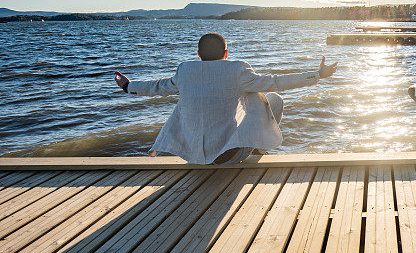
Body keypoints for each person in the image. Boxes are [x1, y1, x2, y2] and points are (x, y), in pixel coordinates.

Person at [114, 32, 337, 164]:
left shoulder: (185, 71)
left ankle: (250, 148)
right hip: (229, 156)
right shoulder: (237, 70)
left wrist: (128, 87)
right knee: (273, 97)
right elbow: (276, 81)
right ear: (226, 54)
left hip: (192, 156)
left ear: (198, 55)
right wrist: (317, 75)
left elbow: (158, 87)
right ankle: (258, 149)